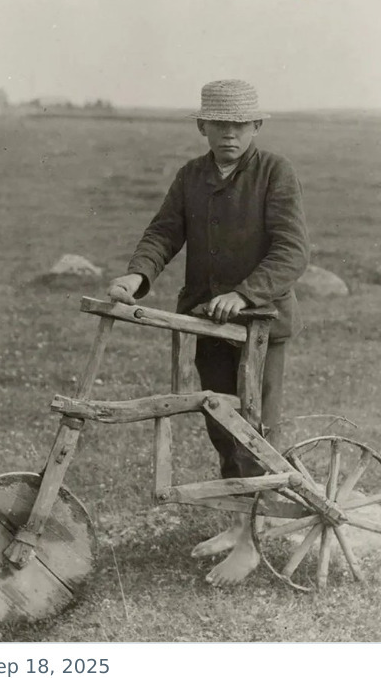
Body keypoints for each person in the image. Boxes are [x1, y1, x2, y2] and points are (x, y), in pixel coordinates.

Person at [108, 79, 310, 586]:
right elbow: (163, 232)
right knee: (221, 427)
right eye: (220, 124)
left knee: (256, 431)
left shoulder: (274, 173)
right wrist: (139, 274)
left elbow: (291, 250)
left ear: (256, 127)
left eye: (240, 125)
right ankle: (239, 523)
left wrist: (244, 294)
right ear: (202, 126)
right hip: (208, 323)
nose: (230, 134)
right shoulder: (191, 176)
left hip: (260, 326)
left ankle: (250, 542)